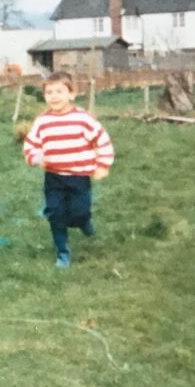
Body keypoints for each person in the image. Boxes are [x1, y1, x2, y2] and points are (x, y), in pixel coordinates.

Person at [23, 72, 114, 268]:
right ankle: (62, 253)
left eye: (59, 91)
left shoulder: (83, 119)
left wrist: (103, 165)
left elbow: (102, 140)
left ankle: (84, 222)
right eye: (49, 92)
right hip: (54, 177)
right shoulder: (42, 122)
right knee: (56, 214)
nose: (54, 96)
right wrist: (35, 157)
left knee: (79, 212)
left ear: (71, 94)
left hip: (79, 177)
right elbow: (31, 144)